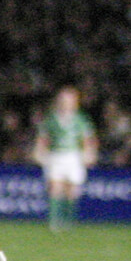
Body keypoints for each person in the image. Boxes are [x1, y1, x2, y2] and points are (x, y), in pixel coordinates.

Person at [33, 86, 98, 233]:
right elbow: (43, 138)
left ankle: (69, 222)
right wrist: (39, 151)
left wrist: (90, 153)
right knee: (55, 188)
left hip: (74, 156)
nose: (65, 103)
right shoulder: (51, 119)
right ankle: (54, 222)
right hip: (56, 155)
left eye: (69, 100)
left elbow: (88, 139)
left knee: (72, 190)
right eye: (63, 100)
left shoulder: (81, 119)